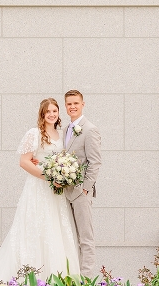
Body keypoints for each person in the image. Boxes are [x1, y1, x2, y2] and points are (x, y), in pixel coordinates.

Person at [0, 98, 81, 282]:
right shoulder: (34, 133)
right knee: (37, 228)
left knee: (55, 229)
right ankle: (32, 276)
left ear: (59, 113)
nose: (51, 114)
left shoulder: (62, 134)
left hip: (56, 192)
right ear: (42, 114)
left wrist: (62, 176)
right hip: (39, 188)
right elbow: (24, 162)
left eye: (54, 111)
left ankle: (57, 277)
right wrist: (50, 177)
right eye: (48, 111)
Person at [61, 89, 102, 278]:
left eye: (76, 103)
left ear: (82, 104)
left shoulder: (90, 129)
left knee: (86, 238)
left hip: (81, 193)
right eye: (69, 104)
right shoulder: (65, 130)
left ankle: (86, 278)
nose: (72, 107)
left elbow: (95, 162)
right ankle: (73, 276)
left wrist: (85, 189)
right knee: (70, 237)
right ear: (65, 106)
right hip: (65, 192)